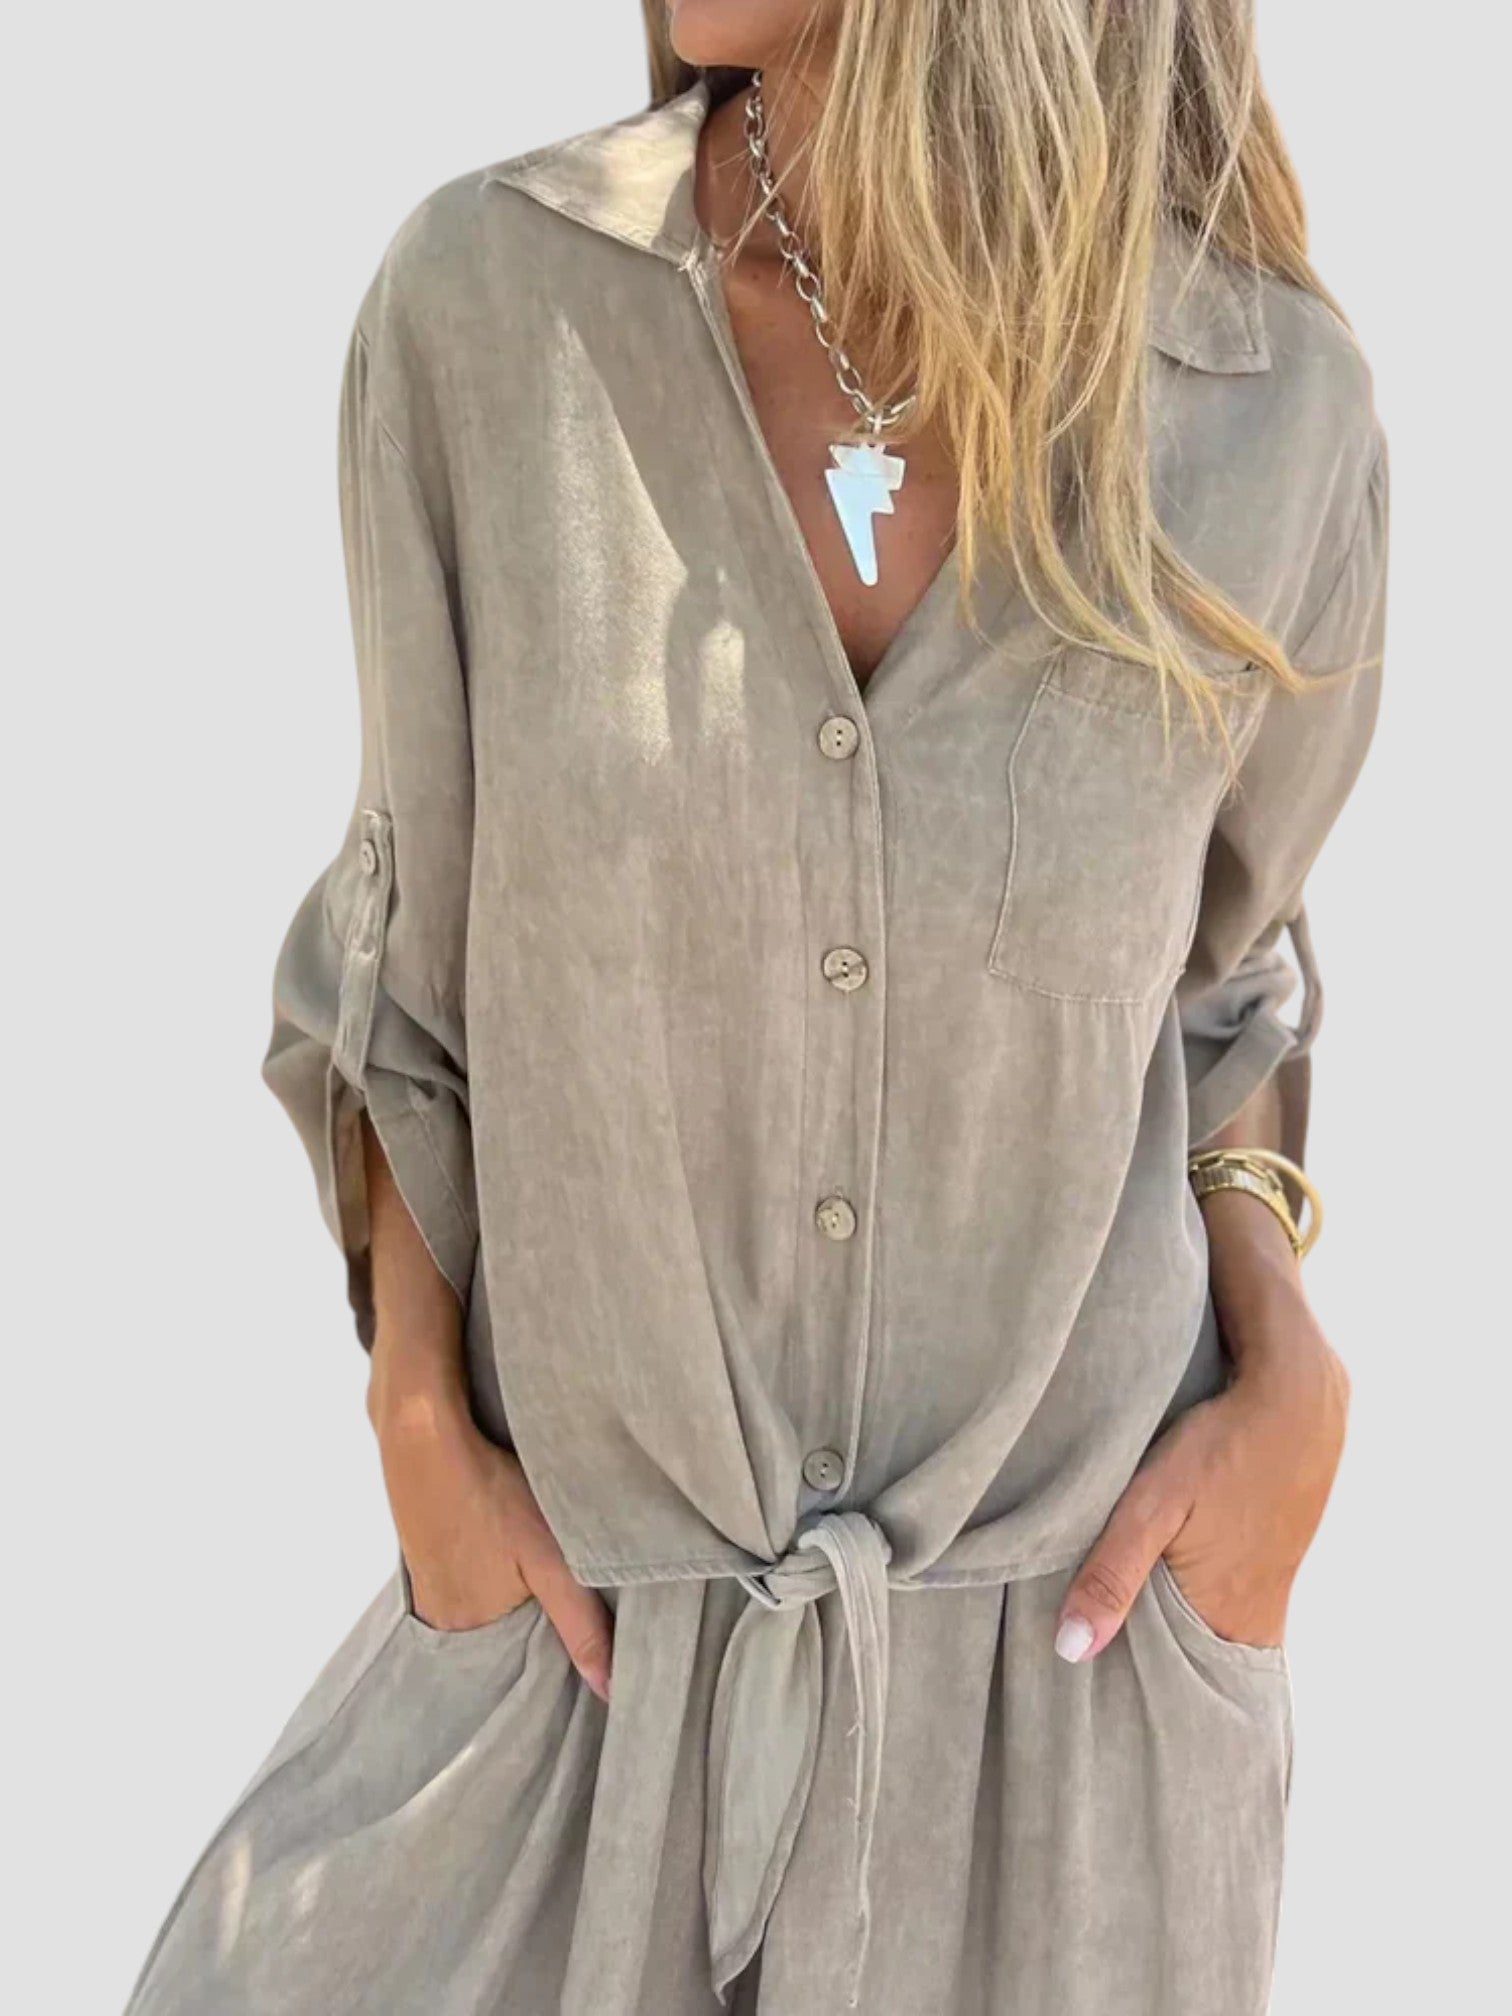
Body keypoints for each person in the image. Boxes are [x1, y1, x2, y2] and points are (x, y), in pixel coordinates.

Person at [125, 3, 1388, 2012]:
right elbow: (396, 980)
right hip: (573, 1681)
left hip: (1068, 1744)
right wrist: (418, 1416)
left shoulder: (1265, 408)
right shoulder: (493, 313)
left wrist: (1287, 1367)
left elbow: (1227, 982)